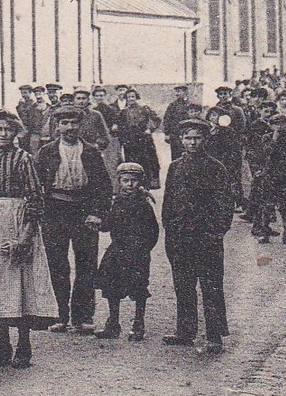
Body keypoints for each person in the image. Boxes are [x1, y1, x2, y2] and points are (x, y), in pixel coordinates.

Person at [0, 111, 57, 368]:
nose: (3, 135)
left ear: (16, 132)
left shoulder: (23, 159)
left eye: (8, 130)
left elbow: (35, 199)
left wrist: (25, 237)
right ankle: (2, 344)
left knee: (19, 283)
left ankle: (24, 345)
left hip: (17, 222)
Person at [31, 104, 112, 334]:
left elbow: (103, 186)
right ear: (56, 126)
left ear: (80, 125)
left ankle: (83, 316)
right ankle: (60, 315)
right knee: (57, 265)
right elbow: (37, 186)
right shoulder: (46, 152)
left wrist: (97, 213)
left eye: (74, 123)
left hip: (84, 210)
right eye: (64, 123)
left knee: (86, 264)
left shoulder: (90, 151)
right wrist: (40, 213)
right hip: (55, 210)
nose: (69, 128)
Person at [160, 117, 237, 354]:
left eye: (197, 138)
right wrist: (169, 228)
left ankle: (215, 335)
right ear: (181, 140)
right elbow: (169, 201)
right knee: (183, 285)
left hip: (206, 238)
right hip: (180, 236)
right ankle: (185, 331)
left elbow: (225, 203)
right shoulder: (175, 167)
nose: (192, 142)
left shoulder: (215, 167)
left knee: (211, 286)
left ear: (205, 140)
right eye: (188, 138)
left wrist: (216, 232)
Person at [95, 163, 160, 340]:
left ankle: (138, 324)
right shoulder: (117, 202)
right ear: (119, 181)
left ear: (140, 182)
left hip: (137, 252)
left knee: (139, 287)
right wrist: (99, 224)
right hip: (117, 249)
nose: (130, 185)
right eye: (126, 181)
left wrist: (144, 248)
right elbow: (108, 224)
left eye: (134, 181)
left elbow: (153, 231)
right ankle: (113, 323)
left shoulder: (144, 204)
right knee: (111, 285)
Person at [249, 100, 286, 244]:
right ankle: (264, 232)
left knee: (285, 206)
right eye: (276, 124)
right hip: (270, 175)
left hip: (285, 175)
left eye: (282, 124)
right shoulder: (266, 138)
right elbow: (267, 153)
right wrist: (274, 137)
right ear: (271, 126)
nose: (280, 127)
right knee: (267, 204)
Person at [205, 86, 249, 215]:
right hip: (217, 146)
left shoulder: (237, 110)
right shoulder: (213, 110)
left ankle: (239, 202)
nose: (223, 96)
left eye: (226, 94)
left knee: (234, 174)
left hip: (232, 146)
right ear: (218, 96)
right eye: (221, 94)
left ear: (230, 95)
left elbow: (242, 127)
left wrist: (237, 141)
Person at [116, 88, 163, 190]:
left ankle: (146, 186)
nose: (131, 99)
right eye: (128, 97)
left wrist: (150, 129)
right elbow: (119, 126)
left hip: (144, 141)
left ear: (136, 97)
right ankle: (133, 186)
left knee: (147, 163)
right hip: (130, 143)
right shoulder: (123, 112)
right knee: (132, 164)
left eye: (133, 96)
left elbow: (157, 120)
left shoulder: (144, 109)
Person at [162, 85, 196, 162]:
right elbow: (167, 119)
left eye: (179, 91)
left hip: (189, 134)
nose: (177, 94)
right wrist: (167, 134)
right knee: (176, 157)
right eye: (176, 91)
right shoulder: (172, 105)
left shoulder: (191, 104)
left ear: (186, 92)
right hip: (175, 136)